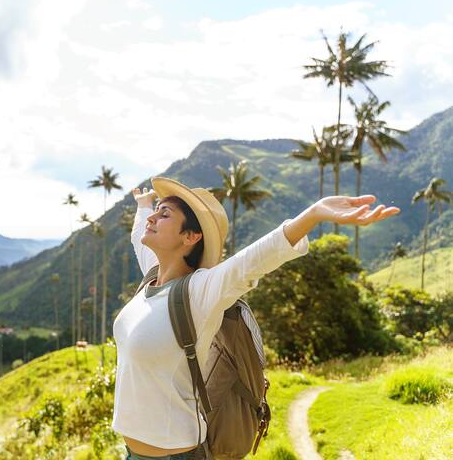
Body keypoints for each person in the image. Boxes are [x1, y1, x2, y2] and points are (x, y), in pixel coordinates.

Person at [111, 176, 400, 460]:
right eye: (156, 212)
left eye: (164, 214)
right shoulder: (152, 278)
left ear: (190, 236)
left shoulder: (200, 291)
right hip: (131, 451)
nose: (153, 219)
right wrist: (144, 205)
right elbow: (140, 236)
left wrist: (313, 214)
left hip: (175, 455)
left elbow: (252, 261)